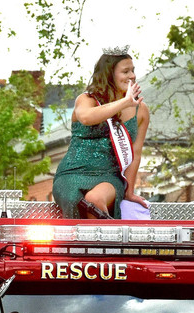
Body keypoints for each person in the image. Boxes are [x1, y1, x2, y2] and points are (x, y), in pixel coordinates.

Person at [51, 49, 151, 219]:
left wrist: (130, 191)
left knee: (95, 201)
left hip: (108, 176)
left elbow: (135, 154)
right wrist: (123, 103)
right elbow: (86, 117)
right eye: (126, 71)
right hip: (72, 173)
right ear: (109, 75)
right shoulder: (87, 99)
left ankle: (101, 245)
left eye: (133, 70)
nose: (132, 76)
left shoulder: (140, 110)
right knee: (76, 201)